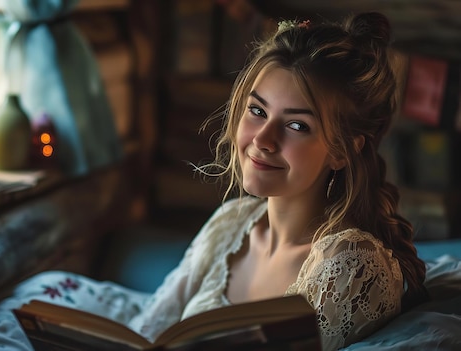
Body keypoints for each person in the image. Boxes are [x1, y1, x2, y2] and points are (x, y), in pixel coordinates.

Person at [125, 11, 429, 350]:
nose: (263, 140)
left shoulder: (350, 264)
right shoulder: (230, 224)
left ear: (342, 152)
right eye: (257, 111)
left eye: (297, 125)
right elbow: (145, 332)